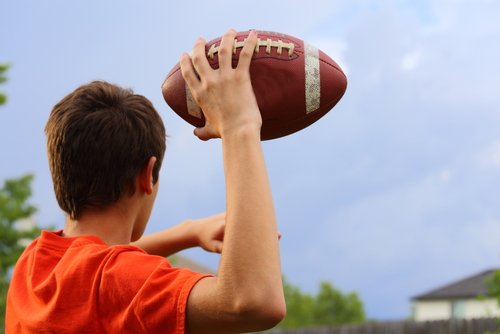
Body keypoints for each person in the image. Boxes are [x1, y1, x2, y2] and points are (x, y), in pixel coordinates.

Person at [6, 29, 286, 333]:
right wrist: (239, 126)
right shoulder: (120, 287)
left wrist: (187, 232)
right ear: (147, 175)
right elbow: (253, 302)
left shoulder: (34, 265)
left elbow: (97, 267)